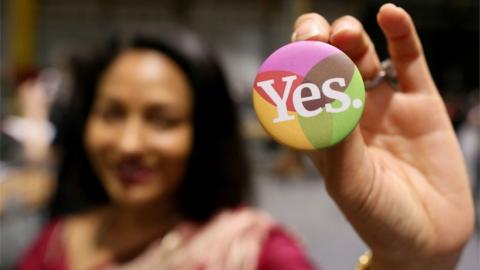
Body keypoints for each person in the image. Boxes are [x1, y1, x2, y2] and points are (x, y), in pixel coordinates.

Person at [18, 3, 474, 270]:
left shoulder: (256, 253)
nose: (131, 143)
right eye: (112, 113)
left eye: (163, 119)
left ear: (204, 131)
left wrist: (410, 262)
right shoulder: (55, 243)